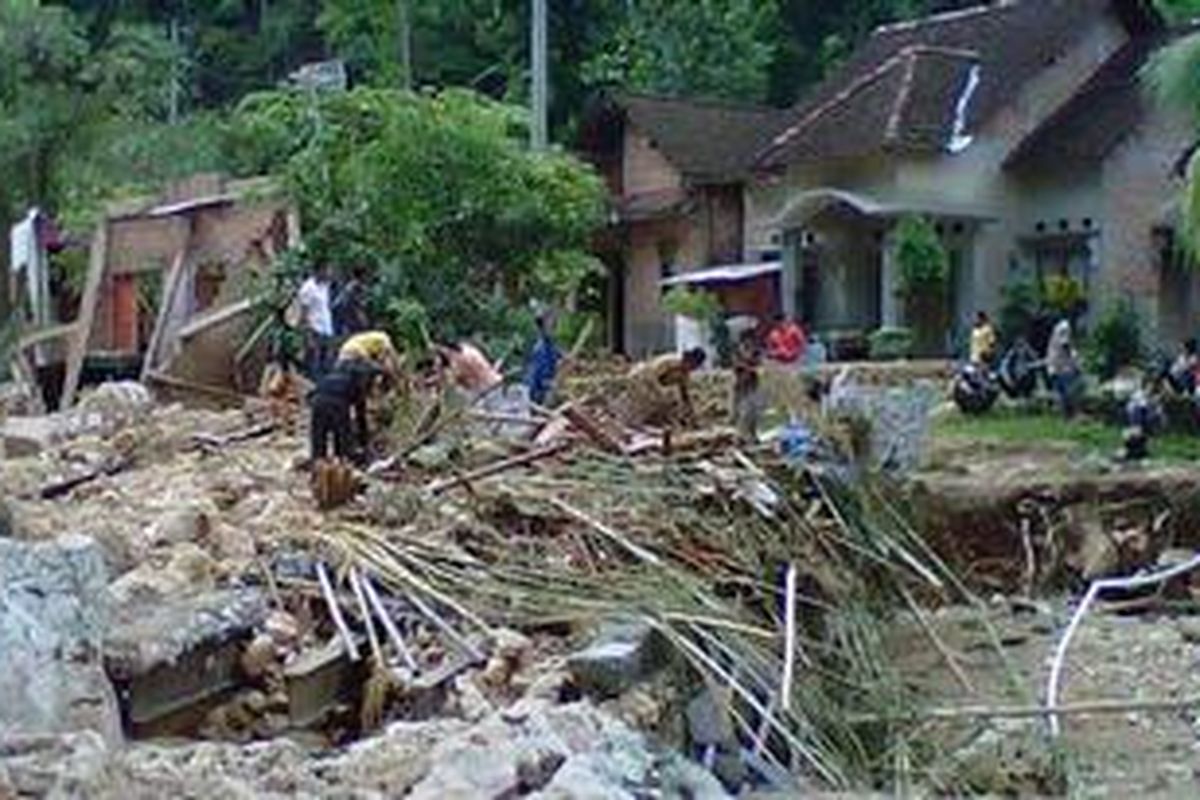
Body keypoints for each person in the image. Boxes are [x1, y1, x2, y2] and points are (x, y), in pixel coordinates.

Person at [307, 360, 381, 466]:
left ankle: (317, 467)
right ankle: (341, 464)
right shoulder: (359, 382)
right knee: (342, 437)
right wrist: (364, 441)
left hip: (318, 401)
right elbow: (360, 415)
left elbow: (312, 393)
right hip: (338, 403)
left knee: (319, 437)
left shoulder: (334, 375)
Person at [616, 347, 707, 428]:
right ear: (689, 359)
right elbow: (650, 374)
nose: (693, 369)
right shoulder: (670, 361)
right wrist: (660, 393)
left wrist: (693, 415)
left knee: (667, 401)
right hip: (641, 376)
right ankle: (625, 421)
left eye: (695, 367)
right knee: (651, 400)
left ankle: (643, 422)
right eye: (693, 365)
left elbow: (685, 396)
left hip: (652, 383)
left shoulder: (685, 375)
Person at [297, 264, 334, 378]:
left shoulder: (325, 286)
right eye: (328, 270)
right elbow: (304, 310)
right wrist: (306, 330)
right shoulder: (308, 288)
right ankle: (311, 382)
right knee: (314, 358)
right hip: (314, 327)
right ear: (319, 271)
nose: (330, 273)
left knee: (325, 358)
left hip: (326, 327)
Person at [437, 340, 503, 396]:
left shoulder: (467, 355)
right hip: (481, 386)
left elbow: (457, 377)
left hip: (486, 385)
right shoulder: (467, 351)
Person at [731, 330, 763, 441]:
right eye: (748, 339)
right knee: (740, 411)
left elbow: (758, 365)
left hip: (753, 383)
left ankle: (752, 434)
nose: (750, 342)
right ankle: (739, 436)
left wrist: (749, 366)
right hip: (741, 384)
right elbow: (736, 365)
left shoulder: (756, 351)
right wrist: (749, 366)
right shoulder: (738, 351)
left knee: (753, 410)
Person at [1045, 318, 1079, 418]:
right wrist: (1075, 360)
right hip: (1061, 367)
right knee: (1067, 393)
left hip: (1055, 366)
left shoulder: (1058, 327)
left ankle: (1067, 415)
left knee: (1063, 394)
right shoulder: (1064, 326)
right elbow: (1065, 344)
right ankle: (1069, 415)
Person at [338, 330, 402, 382]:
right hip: (354, 351)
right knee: (378, 369)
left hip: (346, 353)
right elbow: (389, 355)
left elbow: (382, 357)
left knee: (376, 369)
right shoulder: (384, 340)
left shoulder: (376, 341)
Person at [525, 315, 560, 406]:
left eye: (554, 327)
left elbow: (559, 356)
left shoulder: (551, 346)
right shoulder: (540, 349)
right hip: (537, 393)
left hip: (544, 388)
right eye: (550, 328)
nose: (553, 331)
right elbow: (540, 376)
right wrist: (551, 384)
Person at [332, 267, 369, 337]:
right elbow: (354, 301)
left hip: (353, 316)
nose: (366, 277)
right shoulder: (354, 286)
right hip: (352, 316)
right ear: (362, 275)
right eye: (365, 275)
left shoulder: (357, 286)